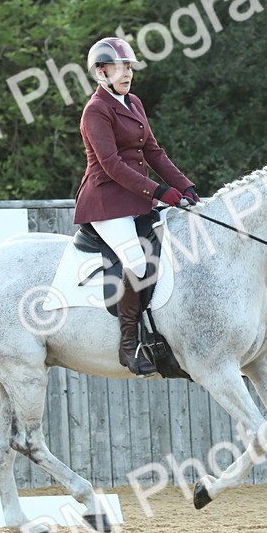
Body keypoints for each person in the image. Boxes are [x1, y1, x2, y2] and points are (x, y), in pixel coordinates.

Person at [73, 36, 200, 376]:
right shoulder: (96, 111)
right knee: (138, 262)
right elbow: (112, 165)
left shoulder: (134, 102)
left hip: (137, 197)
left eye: (129, 67)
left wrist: (185, 186)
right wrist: (160, 191)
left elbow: (154, 152)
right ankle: (128, 343)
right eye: (119, 68)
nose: (127, 73)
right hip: (105, 201)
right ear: (101, 72)